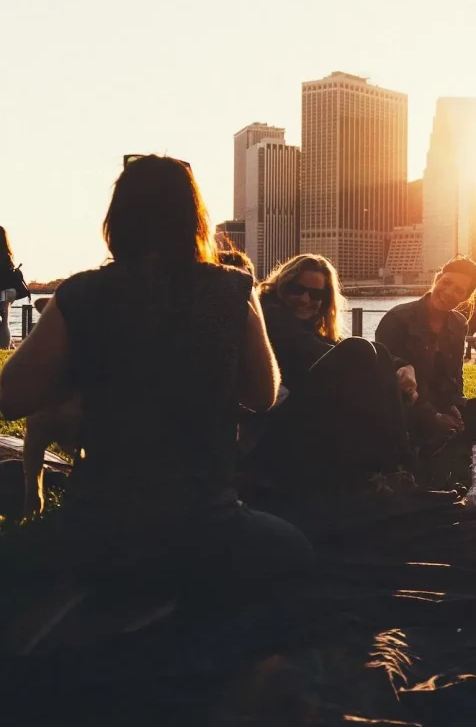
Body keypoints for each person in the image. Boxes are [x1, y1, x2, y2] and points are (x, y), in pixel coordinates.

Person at [0, 156, 314, 602]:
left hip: (99, 526)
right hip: (204, 522)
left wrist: (82, 373)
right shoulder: (233, 288)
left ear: (117, 220)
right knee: (295, 550)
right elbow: (263, 395)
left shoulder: (81, 292)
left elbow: (11, 398)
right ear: (195, 218)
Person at [252, 255, 415, 493]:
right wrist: (384, 373)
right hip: (274, 426)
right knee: (360, 351)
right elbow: (324, 351)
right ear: (281, 287)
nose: (305, 299)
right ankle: (392, 466)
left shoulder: (308, 327)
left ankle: (392, 467)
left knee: (375, 352)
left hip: (305, 418)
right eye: (297, 290)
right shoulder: (272, 316)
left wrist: (404, 366)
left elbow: (336, 346)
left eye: (316, 294)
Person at [374, 257, 476, 453]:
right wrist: (434, 417)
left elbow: (456, 374)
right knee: (402, 421)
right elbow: (388, 382)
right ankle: (437, 439)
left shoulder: (458, 323)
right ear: (437, 278)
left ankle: (443, 437)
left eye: (459, 291)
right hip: (405, 407)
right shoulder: (397, 318)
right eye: (446, 282)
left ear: (465, 298)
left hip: (439, 403)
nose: (448, 292)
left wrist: (454, 404)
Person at [0, 226, 28, 351]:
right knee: (5, 320)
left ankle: (5, 347)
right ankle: (8, 345)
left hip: (2, 291)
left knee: (4, 322)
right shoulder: (8, 255)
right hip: (10, 292)